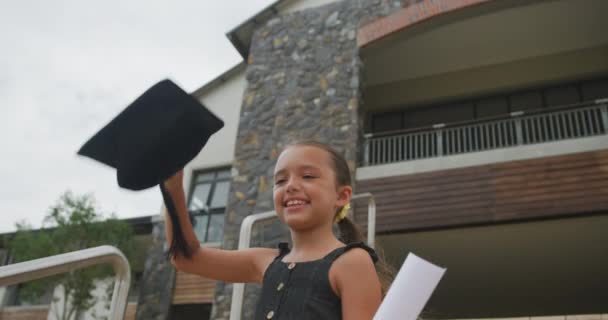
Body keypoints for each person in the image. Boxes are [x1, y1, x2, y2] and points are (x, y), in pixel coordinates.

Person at [162, 140, 393, 319]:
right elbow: (185, 258)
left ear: (342, 196)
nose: (290, 185)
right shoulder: (265, 261)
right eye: (280, 181)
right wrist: (173, 186)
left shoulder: (352, 262)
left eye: (308, 176)